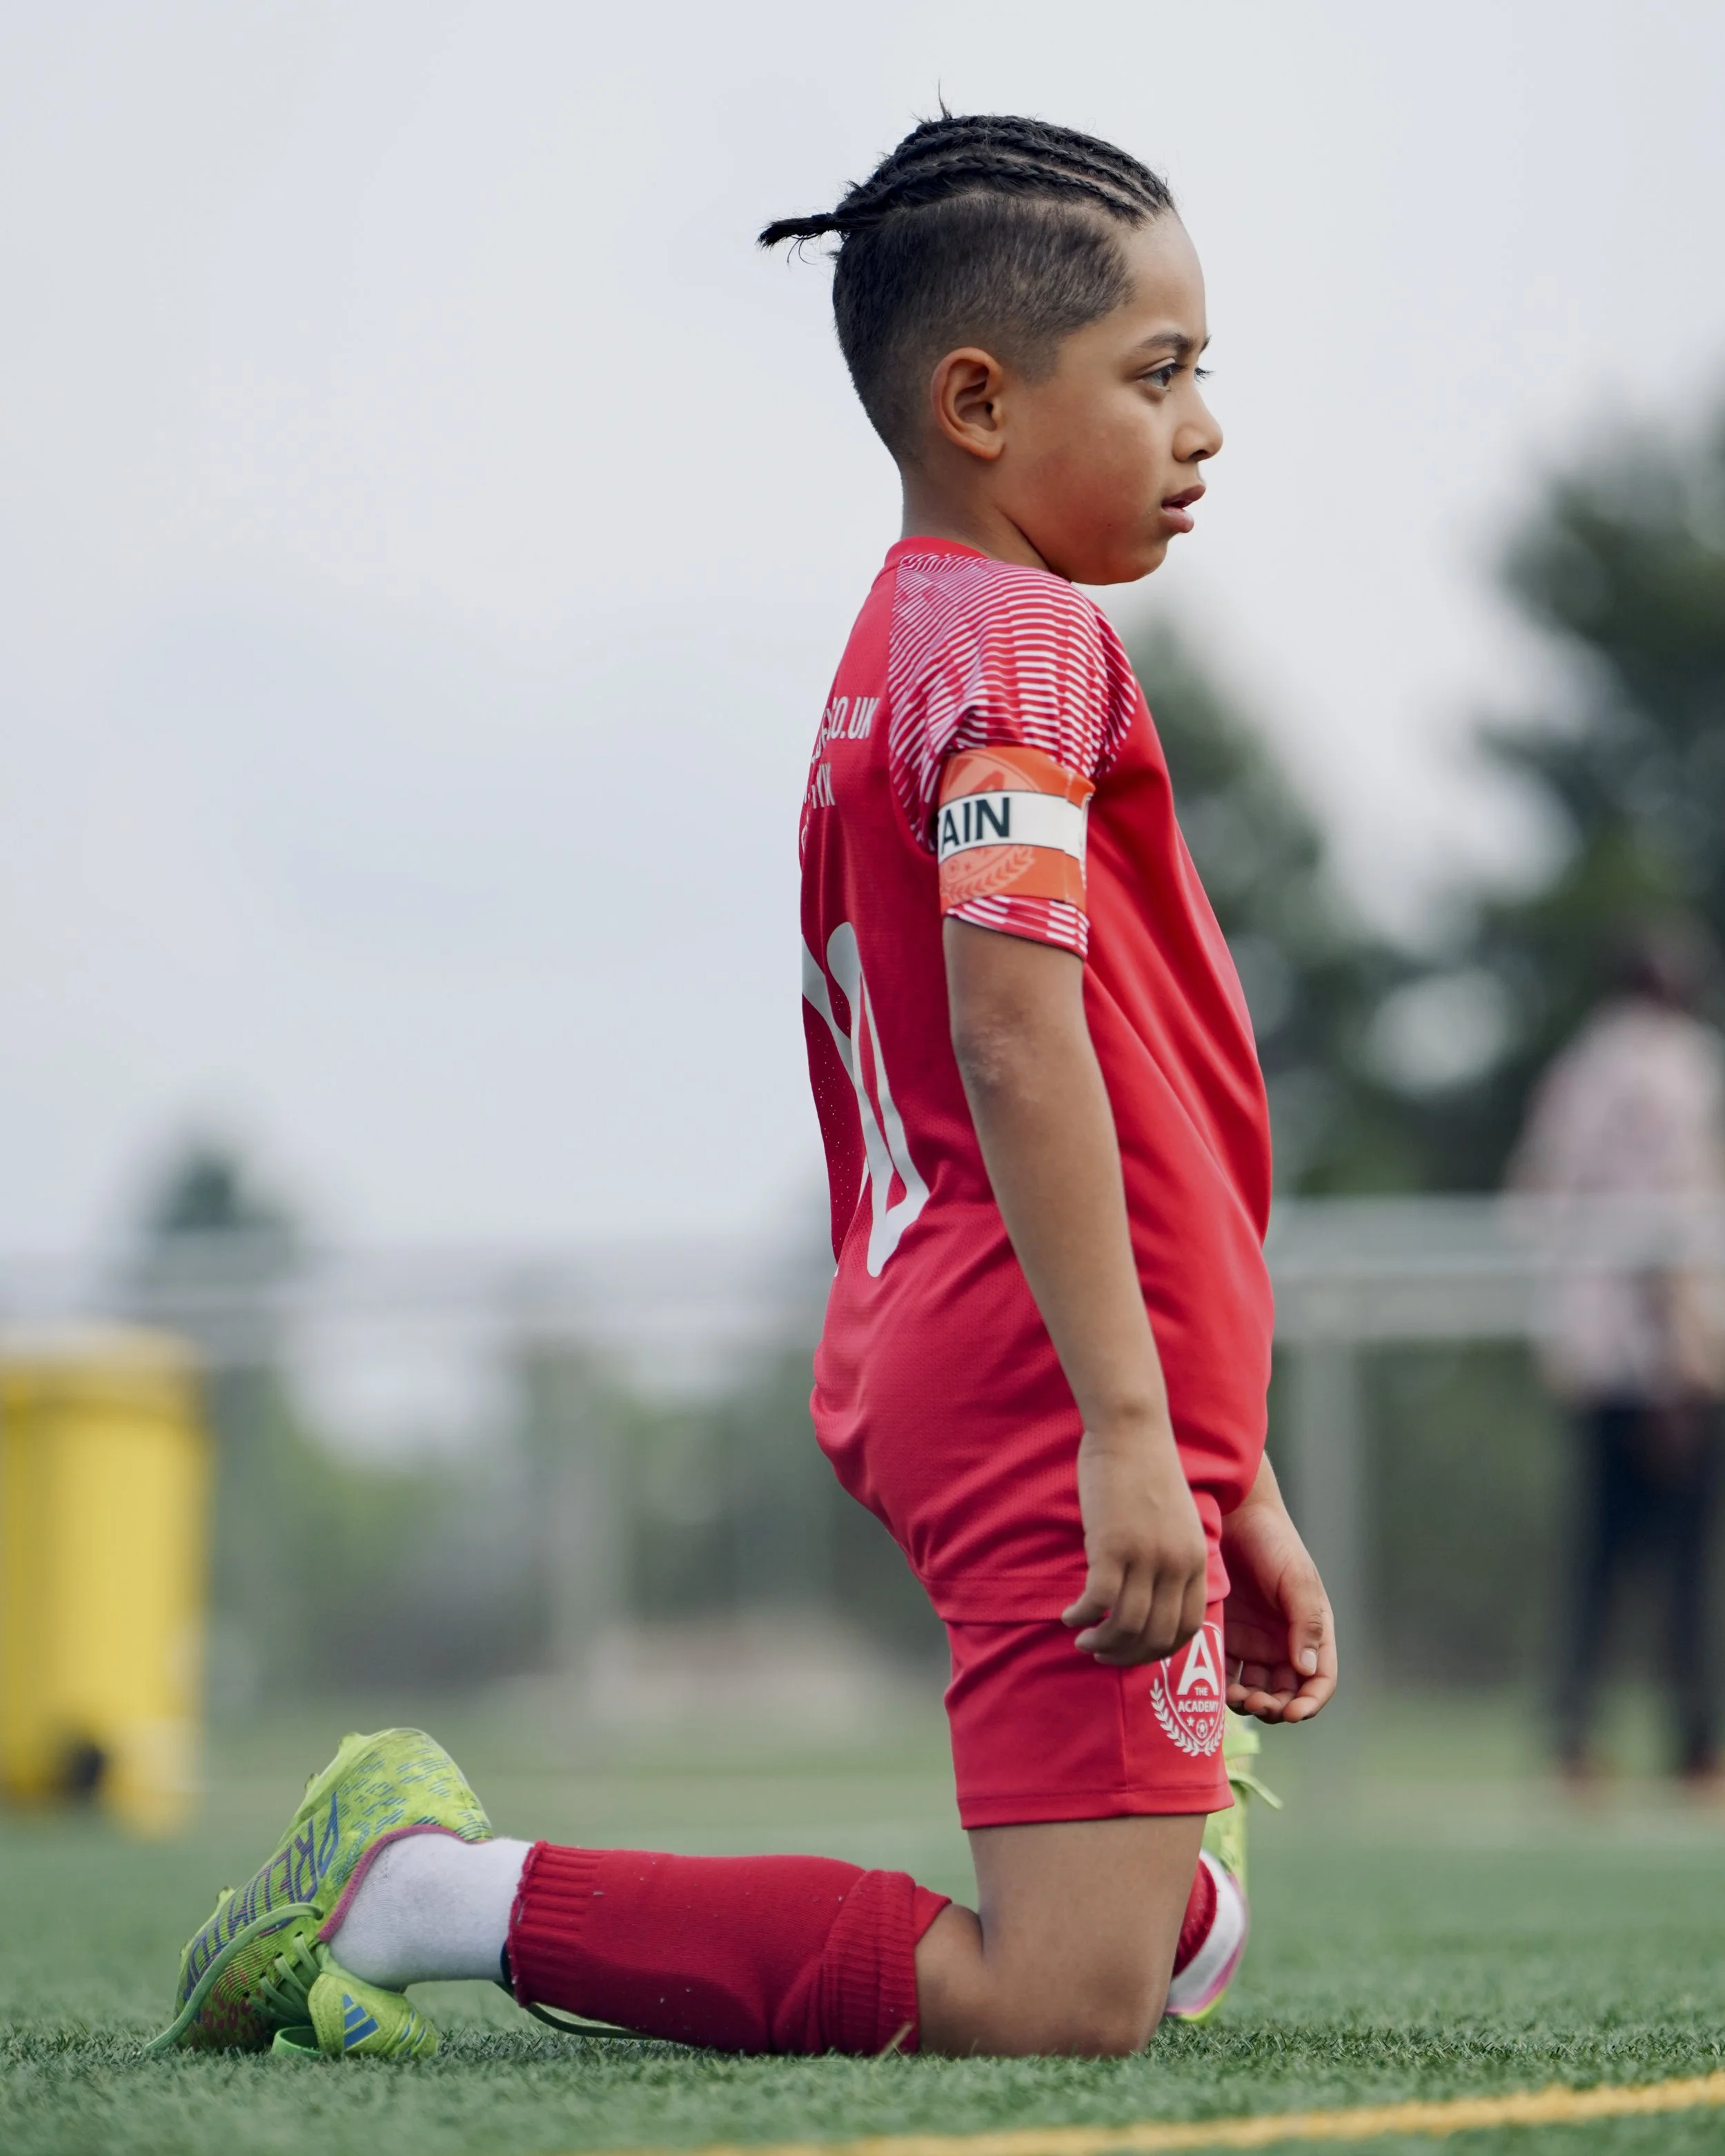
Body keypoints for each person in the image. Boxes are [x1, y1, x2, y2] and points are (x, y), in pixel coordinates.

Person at [149, 112, 1334, 2066]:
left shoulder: (906, 642)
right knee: (1058, 2005)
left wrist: (1227, 1473)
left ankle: (1158, 1876)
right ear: (975, 398)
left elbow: (1125, 1088)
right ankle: (416, 1887)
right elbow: (1016, 1035)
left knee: (1122, 1937)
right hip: (1043, 1362)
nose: (1202, 423)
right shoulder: (1024, 642)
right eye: (1158, 373)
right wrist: (1132, 1427)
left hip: (1029, 1340)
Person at [1510, 927, 1725, 1786]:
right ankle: (1696, 1743)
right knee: (1681, 1562)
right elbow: (1668, 1209)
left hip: (1596, 1348)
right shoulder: (1679, 1066)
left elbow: (1536, 1201)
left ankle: (1575, 1735)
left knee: (1599, 1558)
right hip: (1669, 1347)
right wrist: (1678, 1347)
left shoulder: (1575, 1070)